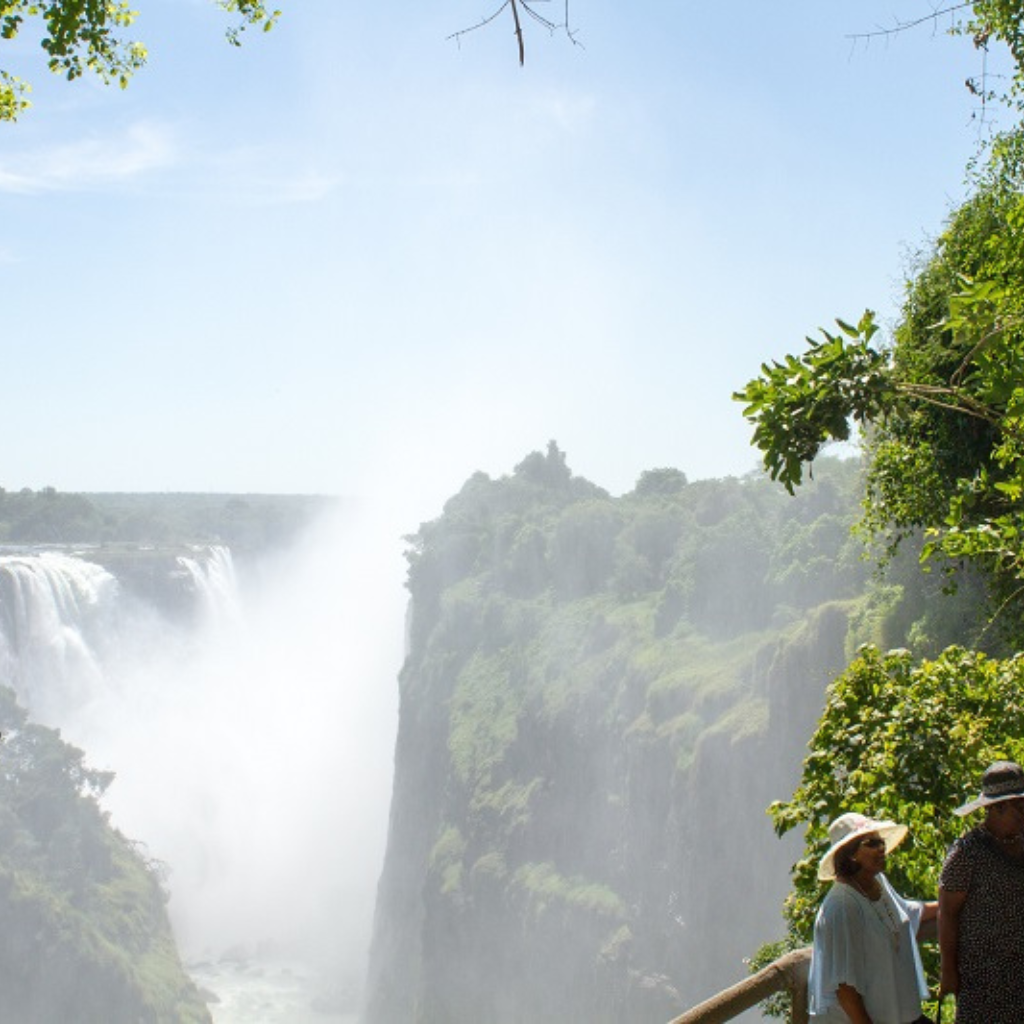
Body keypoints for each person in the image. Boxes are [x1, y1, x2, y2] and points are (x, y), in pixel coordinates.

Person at [808, 811, 937, 1023]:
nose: (881, 848)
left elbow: (906, 912)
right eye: (871, 843)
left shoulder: (878, 883)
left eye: (881, 842)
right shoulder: (843, 906)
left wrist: (947, 906)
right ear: (850, 853)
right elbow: (845, 990)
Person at [938, 760, 1024, 1023]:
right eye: (1019, 807)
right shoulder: (967, 853)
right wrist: (948, 970)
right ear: (997, 808)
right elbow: (948, 913)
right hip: (984, 981)